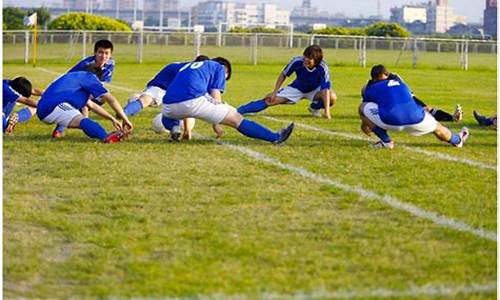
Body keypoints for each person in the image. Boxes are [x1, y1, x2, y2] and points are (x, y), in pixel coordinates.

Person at [161, 57, 294, 144]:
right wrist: (216, 122)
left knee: (171, 113)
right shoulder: (218, 67)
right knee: (236, 117)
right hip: (193, 100)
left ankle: (174, 128)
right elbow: (215, 95)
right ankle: (275, 137)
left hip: (168, 107)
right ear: (224, 68)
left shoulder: (190, 66)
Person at [359, 64, 469, 149]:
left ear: (373, 79)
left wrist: (364, 127)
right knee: (438, 128)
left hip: (390, 121)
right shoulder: (402, 84)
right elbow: (417, 103)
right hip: (416, 119)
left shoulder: (370, 88)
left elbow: (367, 109)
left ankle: (386, 141)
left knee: (362, 107)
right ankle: (457, 140)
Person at [36, 65, 133, 143]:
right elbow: (111, 99)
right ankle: (106, 137)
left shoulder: (77, 78)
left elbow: (92, 105)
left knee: (83, 122)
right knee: (83, 121)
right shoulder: (90, 78)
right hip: (53, 106)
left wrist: (112, 119)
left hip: (46, 107)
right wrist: (125, 119)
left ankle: (104, 135)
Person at [121, 55, 209, 140]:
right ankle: (175, 128)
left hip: (161, 86)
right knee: (182, 106)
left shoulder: (179, 65)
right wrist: (187, 130)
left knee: (146, 100)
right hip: (169, 89)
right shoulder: (195, 74)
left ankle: (124, 112)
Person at [237, 45, 336, 119]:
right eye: (305, 56)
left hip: (314, 90)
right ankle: (239, 110)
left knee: (332, 97)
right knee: (269, 100)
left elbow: (325, 90)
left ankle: (314, 107)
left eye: (309, 58)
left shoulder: (323, 67)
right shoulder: (297, 61)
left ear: (317, 60)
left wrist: (327, 112)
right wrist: (274, 92)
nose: (305, 59)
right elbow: (283, 74)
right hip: (297, 88)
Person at [52, 39, 115, 138]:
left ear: (111, 54)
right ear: (95, 53)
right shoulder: (86, 65)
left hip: (84, 88)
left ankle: (86, 123)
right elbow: (71, 82)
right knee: (79, 105)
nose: (103, 56)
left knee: (101, 98)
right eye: (100, 52)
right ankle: (59, 130)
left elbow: (100, 86)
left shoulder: (111, 64)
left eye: (106, 53)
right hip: (69, 87)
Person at [362, 71, 463, 122]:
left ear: (386, 75)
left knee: (425, 109)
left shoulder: (394, 78)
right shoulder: (369, 86)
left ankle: (452, 117)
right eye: (377, 80)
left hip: (403, 98)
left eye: (382, 80)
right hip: (385, 104)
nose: (380, 82)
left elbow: (406, 93)